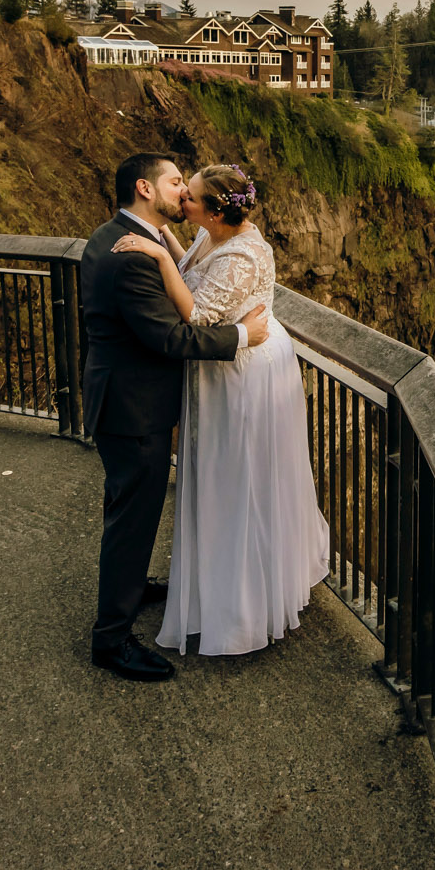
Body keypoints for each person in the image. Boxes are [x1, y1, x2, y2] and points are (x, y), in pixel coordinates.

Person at [114, 162, 330, 656]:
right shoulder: (213, 234)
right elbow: (193, 261)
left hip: (243, 374)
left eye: (188, 198)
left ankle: (243, 605)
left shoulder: (240, 258)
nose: (180, 202)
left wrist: (158, 255)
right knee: (229, 477)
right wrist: (166, 241)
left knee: (240, 480)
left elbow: (195, 314)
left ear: (213, 213)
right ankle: (217, 586)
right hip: (231, 361)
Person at [79, 152, 271, 682]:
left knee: (128, 509)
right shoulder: (132, 255)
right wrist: (242, 336)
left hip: (122, 395)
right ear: (146, 188)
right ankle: (111, 641)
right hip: (131, 407)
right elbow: (170, 337)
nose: (182, 189)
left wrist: (170, 254)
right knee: (131, 519)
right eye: (173, 182)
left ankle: (132, 586)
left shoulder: (129, 235)